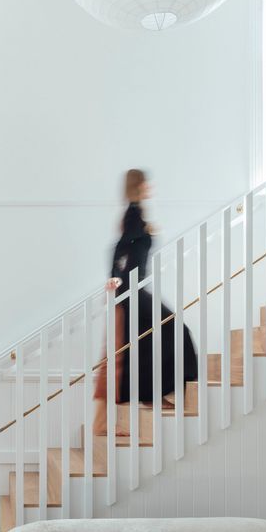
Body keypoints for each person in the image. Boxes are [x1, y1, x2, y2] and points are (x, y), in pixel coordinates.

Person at [94, 169, 198, 435]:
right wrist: (115, 280)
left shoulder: (136, 213)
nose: (150, 186)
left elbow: (121, 249)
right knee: (173, 330)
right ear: (139, 185)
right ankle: (111, 418)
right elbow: (118, 250)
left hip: (134, 289)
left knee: (147, 342)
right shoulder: (133, 214)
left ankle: (151, 395)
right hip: (132, 291)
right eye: (146, 182)